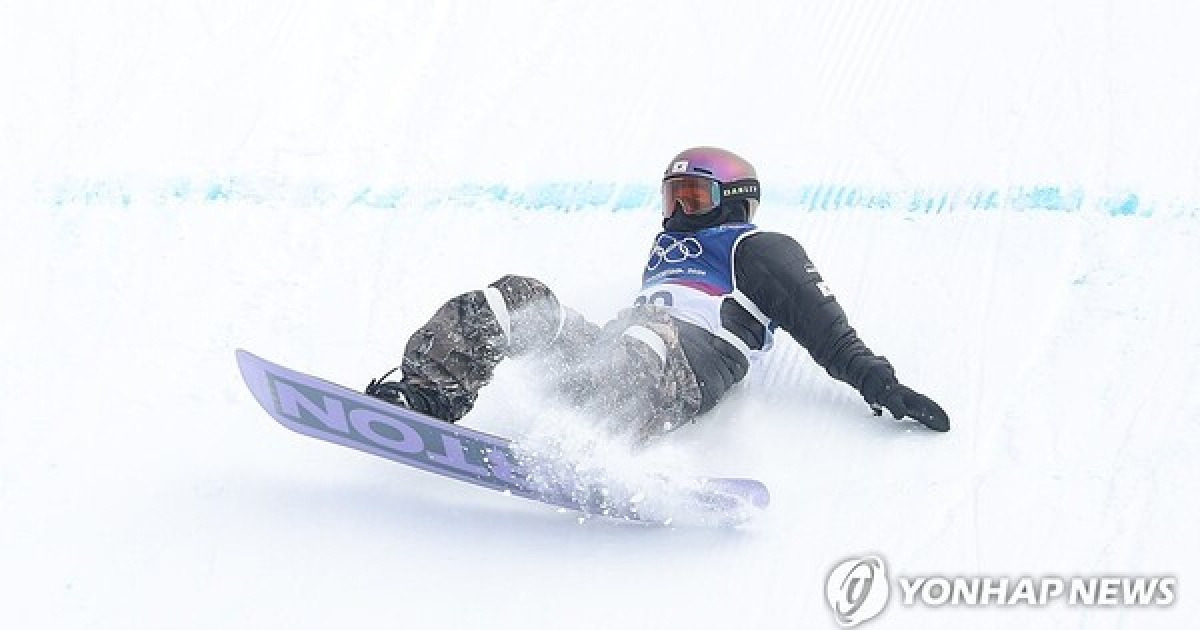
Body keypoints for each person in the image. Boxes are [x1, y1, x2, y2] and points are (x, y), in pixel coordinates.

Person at [365, 147, 949, 441]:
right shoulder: (664, 248)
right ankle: (429, 395)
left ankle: (595, 442)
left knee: (649, 335)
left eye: (693, 198)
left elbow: (827, 328)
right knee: (518, 296)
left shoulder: (760, 248)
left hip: (689, 368)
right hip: (614, 356)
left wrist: (882, 385)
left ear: (735, 200)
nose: (677, 211)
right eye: (673, 197)